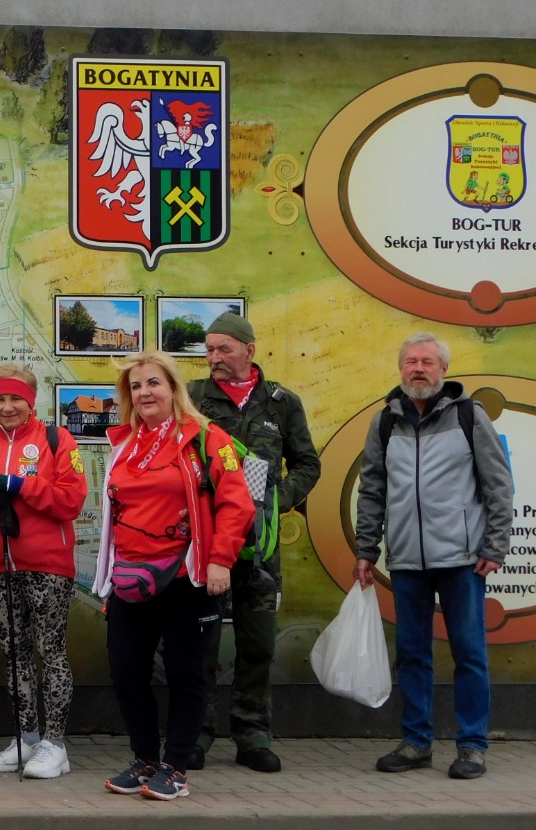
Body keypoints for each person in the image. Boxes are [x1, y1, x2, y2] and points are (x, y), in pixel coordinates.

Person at [94, 351, 253, 802]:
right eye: (136, 386)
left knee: (187, 674)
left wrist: (220, 560)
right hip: (130, 579)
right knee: (126, 672)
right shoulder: (124, 444)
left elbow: (236, 504)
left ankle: (176, 767)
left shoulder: (206, 438)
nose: (145, 393)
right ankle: (145, 760)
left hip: (188, 578)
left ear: (173, 388)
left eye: (153, 383)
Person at [355, 333, 513, 780]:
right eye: (411, 361)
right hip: (407, 559)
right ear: (401, 368)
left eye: (427, 361)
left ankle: (472, 746)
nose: (418, 368)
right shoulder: (386, 421)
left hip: (463, 559)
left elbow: (498, 484)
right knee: (411, 655)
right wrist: (367, 549)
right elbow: (372, 489)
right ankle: (416, 742)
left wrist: (495, 545)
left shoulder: (468, 415)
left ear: (443, 368)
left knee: (469, 654)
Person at [187, 312, 321, 773]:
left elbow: (307, 464)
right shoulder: (192, 398)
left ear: (249, 351)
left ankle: (253, 734)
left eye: (224, 349)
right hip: (205, 541)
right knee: (199, 642)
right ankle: (195, 733)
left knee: (258, 642)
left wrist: (275, 500)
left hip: (259, 547)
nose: (215, 358)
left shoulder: (281, 403)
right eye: (210, 350)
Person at [0, 365, 88, 779]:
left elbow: (72, 499)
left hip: (47, 563)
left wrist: (21, 485)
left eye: (15, 398)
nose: (7, 406)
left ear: (31, 401)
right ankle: (26, 740)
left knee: (50, 652)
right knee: (14, 655)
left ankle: (55, 745)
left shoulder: (56, 439)